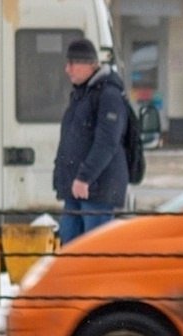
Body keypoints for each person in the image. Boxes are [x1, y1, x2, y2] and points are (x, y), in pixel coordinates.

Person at [52, 37, 132, 244]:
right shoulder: (82, 94)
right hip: (78, 187)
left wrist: (85, 178)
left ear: (89, 64)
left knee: (93, 249)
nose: (67, 69)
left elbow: (107, 142)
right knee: (70, 246)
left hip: (96, 189)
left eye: (72, 64)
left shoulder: (108, 95)